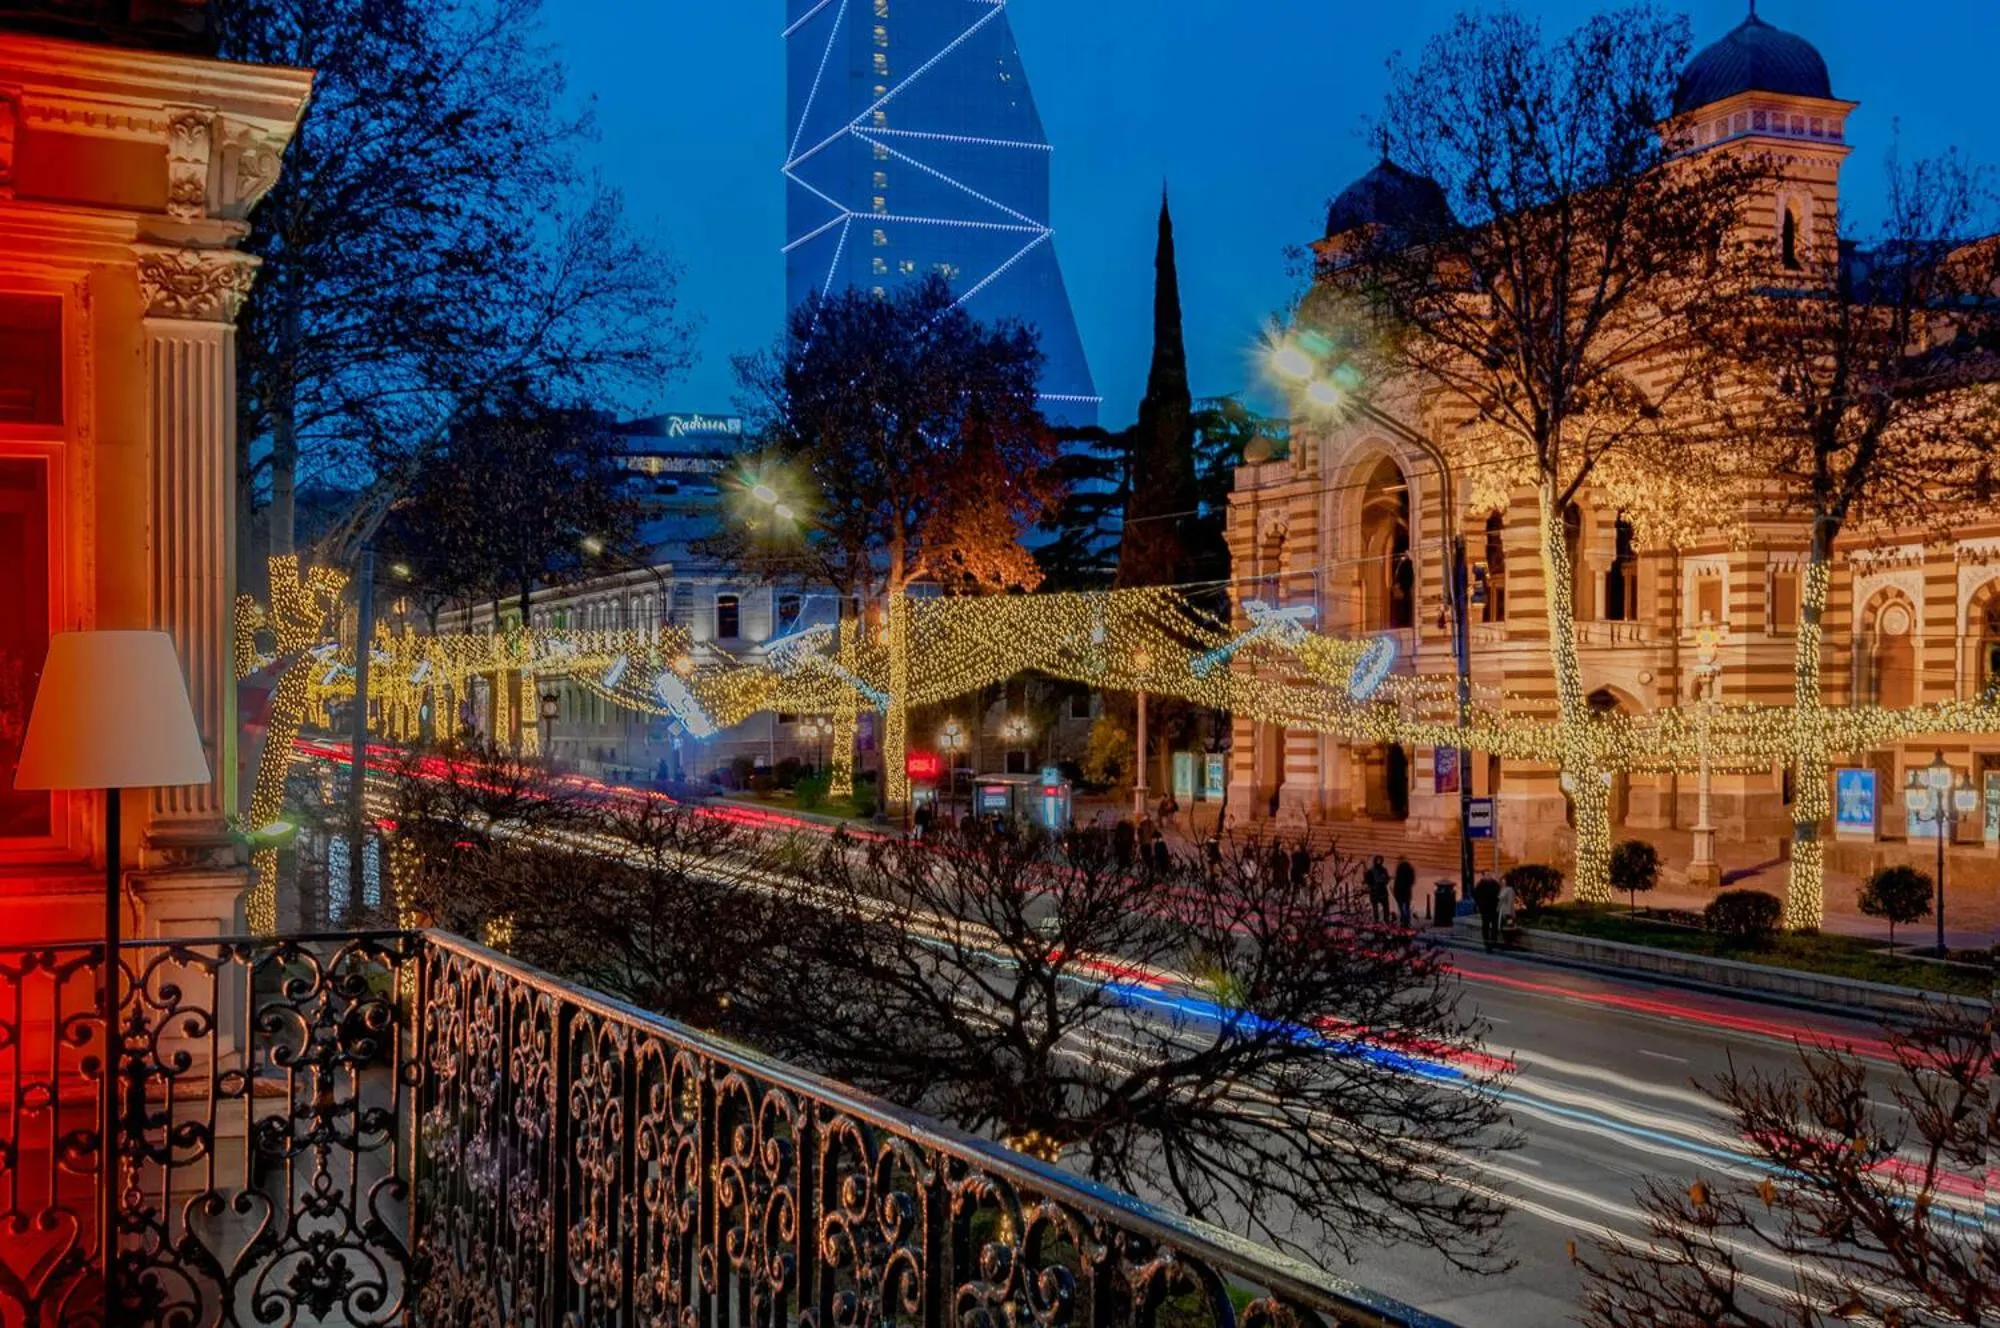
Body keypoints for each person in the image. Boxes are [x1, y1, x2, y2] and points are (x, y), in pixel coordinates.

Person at [1473, 873, 1504, 952]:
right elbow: (1476, 896)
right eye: (1487, 875)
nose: (1489, 876)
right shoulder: (1482, 885)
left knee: (1493, 926)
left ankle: (1491, 942)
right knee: (1487, 926)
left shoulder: (1493, 884)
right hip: (1487, 909)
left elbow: (1500, 894)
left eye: (1489, 874)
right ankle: (1488, 943)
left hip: (1492, 908)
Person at [1363, 856, 1390, 923]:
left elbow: (1367, 880)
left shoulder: (1375, 870)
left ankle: (1381, 920)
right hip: (1379, 892)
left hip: (1377, 892)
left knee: (1380, 908)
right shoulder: (1382, 870)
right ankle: (1383, 920)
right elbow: (1386, 880)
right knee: (1382, 907)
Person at [1391, 858, 1416, 928]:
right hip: (1407, 892)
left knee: (1401, 907)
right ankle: (1407, 921)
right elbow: (1412, 881)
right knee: (1407, 907)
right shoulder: (1409, 870)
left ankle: (1403, 921)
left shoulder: (1399, 871)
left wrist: (1395, 892)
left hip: (1400, 892)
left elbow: (1396, 883)